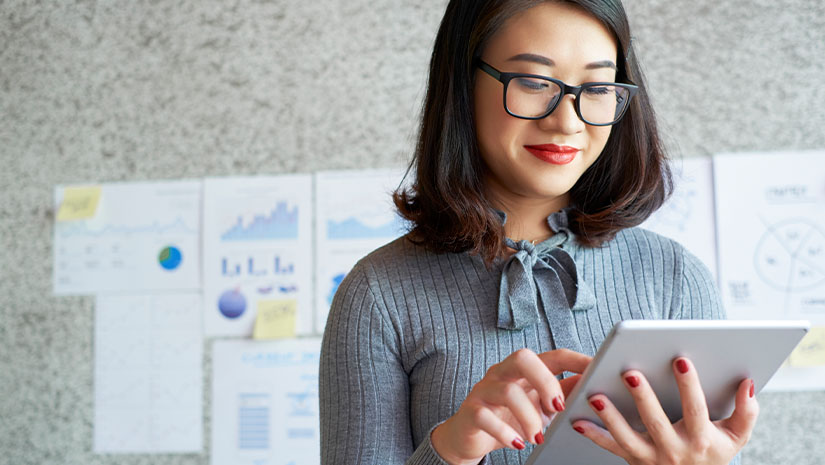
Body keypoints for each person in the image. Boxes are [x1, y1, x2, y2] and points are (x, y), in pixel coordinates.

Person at [319, 0, 759, 464]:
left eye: (597, 87)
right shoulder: (378, 294)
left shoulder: (675, 278)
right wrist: (450, 451)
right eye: (532, 81)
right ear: (462, 83)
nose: (567, 121)